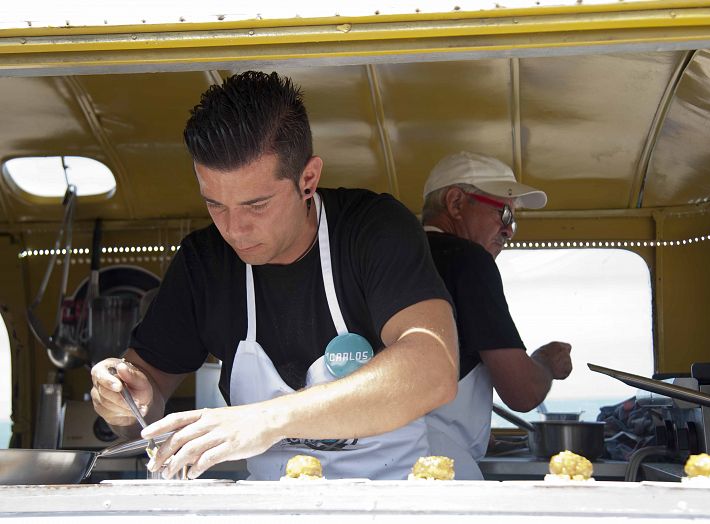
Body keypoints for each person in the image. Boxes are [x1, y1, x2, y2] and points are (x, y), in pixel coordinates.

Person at [89, 71, 458, 481]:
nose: (234, 229)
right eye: (216, 205)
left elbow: (432, 368)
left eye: (257, 205)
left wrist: (268, 419)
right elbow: (145, 397)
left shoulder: (372, 230)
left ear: (307, 180)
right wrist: (126, 402)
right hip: (268, 504)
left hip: (390, 498)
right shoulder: (204, 262)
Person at [421, 151, 573, 479]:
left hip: (373, 461)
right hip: (436, 465)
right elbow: (522, 392)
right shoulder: (469, 262)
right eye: (503, 213)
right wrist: (546, 361)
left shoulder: (391, 256)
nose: (509, 230)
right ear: (456, 202)